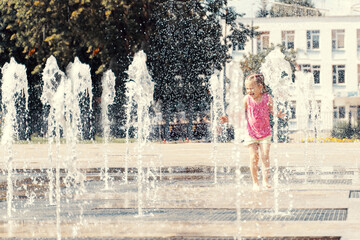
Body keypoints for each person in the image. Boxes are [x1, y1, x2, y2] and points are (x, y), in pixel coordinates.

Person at [220, 73, 286, 191]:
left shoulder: (267, 98)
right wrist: (228, 118)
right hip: (251, 133)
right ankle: (255, 182)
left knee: (265, 156)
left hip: (265, 133)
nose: (249, 91)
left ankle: (265, 181)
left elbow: (272, 110)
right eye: (247, 89)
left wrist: (278, 114)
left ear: (260, 87)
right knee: (253, 157)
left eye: (251, 88)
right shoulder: (247, 99)